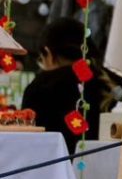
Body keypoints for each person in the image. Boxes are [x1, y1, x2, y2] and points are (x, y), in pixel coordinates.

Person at [23, 17, 113, 151]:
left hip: (58, 163)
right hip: (117, 162)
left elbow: (26, 143)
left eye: (41, 59)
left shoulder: (40, 87)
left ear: (48, 53)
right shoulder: (110, 80)